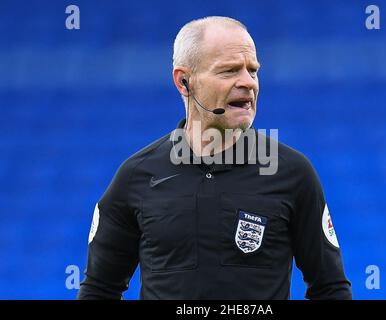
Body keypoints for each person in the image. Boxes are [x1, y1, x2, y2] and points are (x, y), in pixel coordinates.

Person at [77, 16, 352, 300]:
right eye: (229, 71)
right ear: (184, 82)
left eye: (253, 71)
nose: (247, 82)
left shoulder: (292, 173)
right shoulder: (136, 176)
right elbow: (100, 290)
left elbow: (330, 288)